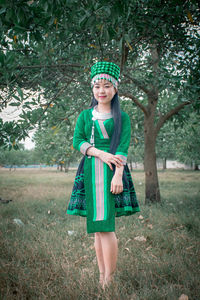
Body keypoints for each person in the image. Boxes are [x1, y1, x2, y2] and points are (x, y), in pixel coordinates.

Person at [67, 61, 140, 288]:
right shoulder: (85, 116)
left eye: (107, 86)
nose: (102, 91)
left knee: (106, 227)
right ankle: (101, 275)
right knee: (97, 230)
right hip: (90, 172)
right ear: (92, 89)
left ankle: (110, 278)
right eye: (97, 86)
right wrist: (100, 153)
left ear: (115, 89)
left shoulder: (123, 118)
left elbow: (122, 148)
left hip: (112, 174)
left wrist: (118, 175)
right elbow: (77, 141)